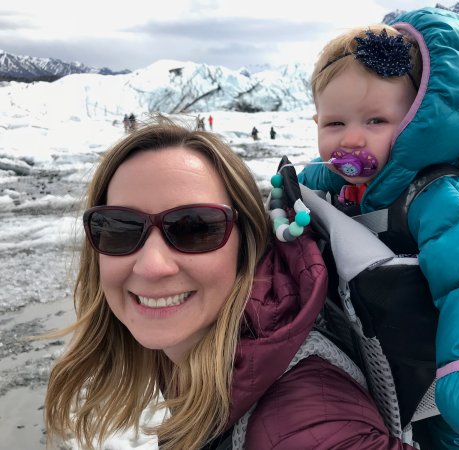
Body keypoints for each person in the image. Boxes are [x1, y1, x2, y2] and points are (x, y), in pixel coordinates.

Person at [43, 118, 412, 450]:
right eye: (120, 228)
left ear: (247, 246)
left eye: (195, 228)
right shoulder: (193, 352)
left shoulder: (301, 423)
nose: (153, 265)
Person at [299, 8, 459, 449]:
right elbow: (309, 183)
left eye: (375, 121)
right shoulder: (337, 184)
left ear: (413, 123)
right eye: (335, 123)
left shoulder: (439, 198)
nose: (351, 139)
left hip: (446, 393)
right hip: (387, 372)